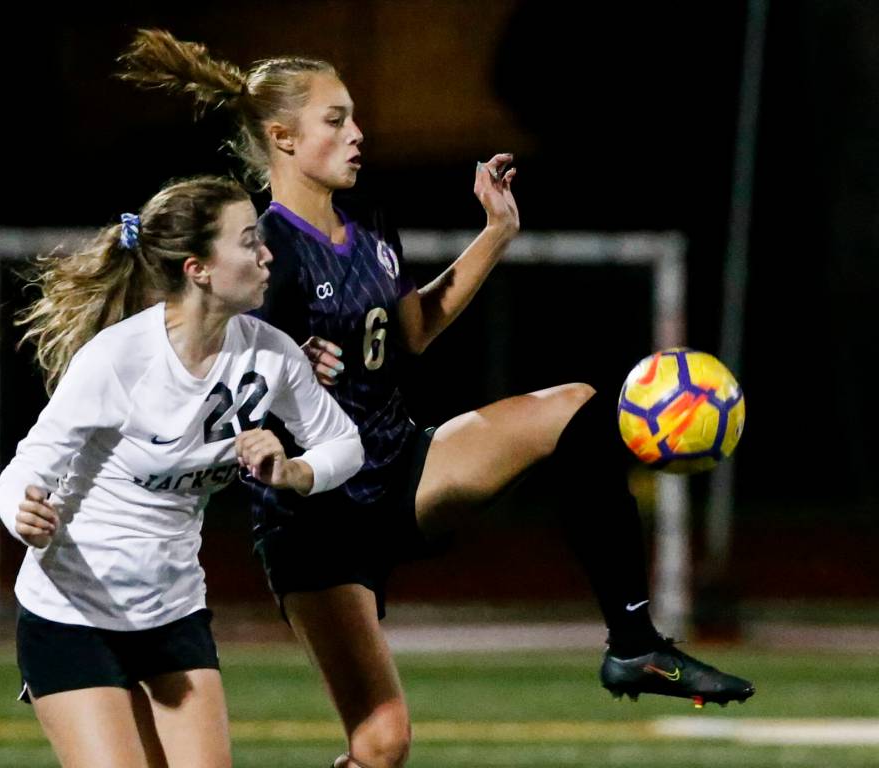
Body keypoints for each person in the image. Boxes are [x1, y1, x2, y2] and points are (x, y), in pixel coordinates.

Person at [119, 31, 755, 768]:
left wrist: (496, 232)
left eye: (353, 117)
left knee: (576, 409)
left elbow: (412, 330)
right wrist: (281, 367)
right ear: (282, 137)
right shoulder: (263, 248)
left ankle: (635, 645)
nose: (357, 133)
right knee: (382, 744)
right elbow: (209, 361)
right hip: (317, 521)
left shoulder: (369, 226)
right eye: (336, 119)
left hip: (401, 466)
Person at [0, 175, 364, 768]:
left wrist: (293, 470)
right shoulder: (118, 360)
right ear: (198, 269)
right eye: (248, 241)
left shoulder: (270, 353)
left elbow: (343, 444)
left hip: (173, 613)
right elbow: (28, 464)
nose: (267, 254)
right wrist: (22, 510)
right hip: (73, 615)